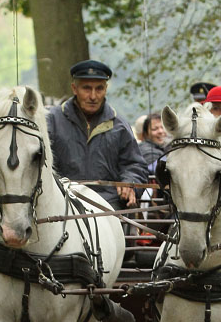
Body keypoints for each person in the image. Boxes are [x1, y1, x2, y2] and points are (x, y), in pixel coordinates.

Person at [46, 59, 148, 210]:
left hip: (108, 205)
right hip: (62, 204)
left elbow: (134, 164)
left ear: (106, 89)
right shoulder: (52, 120)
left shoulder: (119, 124)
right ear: (74, 88)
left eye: (99, 89)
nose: (93, 96)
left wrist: (131, 183)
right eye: (86, 88)